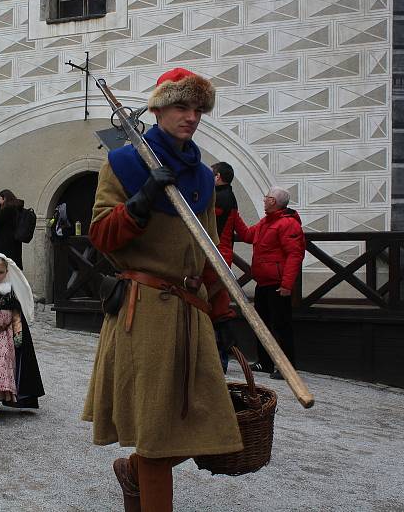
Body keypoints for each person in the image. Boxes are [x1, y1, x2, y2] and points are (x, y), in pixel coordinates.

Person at [83, 67, 243, 512]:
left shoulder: (202, 177)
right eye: (181, 106)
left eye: (198, 109)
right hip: (145, 308)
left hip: (193, 309)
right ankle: (143, 477)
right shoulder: (124, 163)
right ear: (157, 109)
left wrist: (224, 312)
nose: (191, 117)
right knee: (156, 434)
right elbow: (101, 235)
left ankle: (132, 472)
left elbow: (210, 250)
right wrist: (140, 200)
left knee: (209, 422)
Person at [235, 186, 306, 380]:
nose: (264, 200)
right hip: (263, 282)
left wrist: (286, 285)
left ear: (273, 201)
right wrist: (235, 216)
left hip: (277, 284)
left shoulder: (288, 224)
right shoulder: (266, 221)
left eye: (267, 197)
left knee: (281, 325)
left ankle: (287, 367)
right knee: (262, 324)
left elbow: (294, 255)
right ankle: (265, 362)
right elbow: (248, 236)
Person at [0, 253, 44, 419]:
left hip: (6, 336)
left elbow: (16, 314)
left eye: (1, 272)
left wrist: (18, 332)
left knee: (5, 366)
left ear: (6, 272)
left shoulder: (10, 292)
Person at [211, 161, 244, 373]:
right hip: (223, 255)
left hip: (218, 256)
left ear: (218, 177)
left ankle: (222, 356)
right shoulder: (228, 196)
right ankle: (221, 355)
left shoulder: (220, 197)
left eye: (211, 174)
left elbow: (207, 222)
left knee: (218, 307)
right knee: (218, 304)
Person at [0, 189, 25, 269]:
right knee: (11, 265)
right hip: (12, 242)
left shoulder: (8, 209)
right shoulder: (16, 207)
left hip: (4, 242)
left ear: (4, 198)